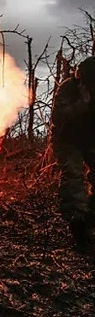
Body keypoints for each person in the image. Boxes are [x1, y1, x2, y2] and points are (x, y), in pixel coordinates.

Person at [50, 55, 95, 251]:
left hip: (89, 139)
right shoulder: (68, 88)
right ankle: (77, 220)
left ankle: (89, 217)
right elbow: (58, 117)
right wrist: (83, 104)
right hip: (66, 139)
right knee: (73, 175)